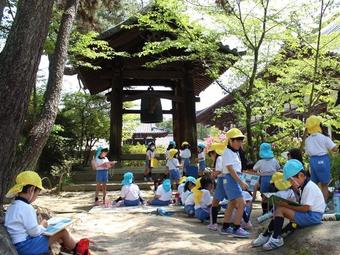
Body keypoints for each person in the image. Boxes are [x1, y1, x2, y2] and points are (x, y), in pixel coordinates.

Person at [4, 171, 90, 255]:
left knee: (57, 236)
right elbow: (34, 232)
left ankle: (67, 249)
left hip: (19, 245)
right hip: (26, 247)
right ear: (31, 190)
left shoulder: (12, 206)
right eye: (37, 194)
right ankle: (79, 250)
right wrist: (42, 225)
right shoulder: (26, 207)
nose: (36, 197)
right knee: (62, 232)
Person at [252, 159, 325, 250]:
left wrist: (287, 205)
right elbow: (303, 205)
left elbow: (305, 208)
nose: (290, 183)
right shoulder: (304, 186)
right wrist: (289, 203)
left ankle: (275, 239)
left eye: (291, 180)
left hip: (313, 216)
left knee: (280, 209)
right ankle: (267, 234)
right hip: (309, 214)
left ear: (301, 175)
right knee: (280, 207)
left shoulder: (309, 187)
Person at [220, 128, 250, 238]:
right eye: (237, 140)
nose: (239, 142)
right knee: (242, 203)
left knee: (232, 203)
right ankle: (237, 228)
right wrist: (241, 182)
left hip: (231, 179)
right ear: (230, 141)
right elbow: (231, 169)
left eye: (240, 140)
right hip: (231, 179)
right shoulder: (228, 152)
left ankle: (226, 226)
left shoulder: (233, 152)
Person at [304, 115, 337, 201]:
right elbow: (334, 149)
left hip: (312, 161)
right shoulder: (324, 137)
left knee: (314, 184)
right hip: (323, 160)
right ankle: (324, 205)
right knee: (324, 185)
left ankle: (314, 204)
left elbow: (307, 152)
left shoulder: (307, 140)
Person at [253, 143, 280, 214]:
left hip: (264, 178)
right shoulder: (274, 160)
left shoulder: (260, 162)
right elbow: (278, 168)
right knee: (272, 195)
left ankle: (265, 211)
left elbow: (254, 168)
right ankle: (271, 211)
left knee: (264, 196)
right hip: (273, 179)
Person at [206, 143, 226, 231]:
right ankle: (246, 221)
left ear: (214, 153)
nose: (211, 157)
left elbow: (219, 170)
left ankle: (213, 224)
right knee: (235, 202)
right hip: (227, 180)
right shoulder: (224, 157)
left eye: (211, 155)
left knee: (214, 203)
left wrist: (213, 175)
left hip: (221, 181)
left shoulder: (219, 159)